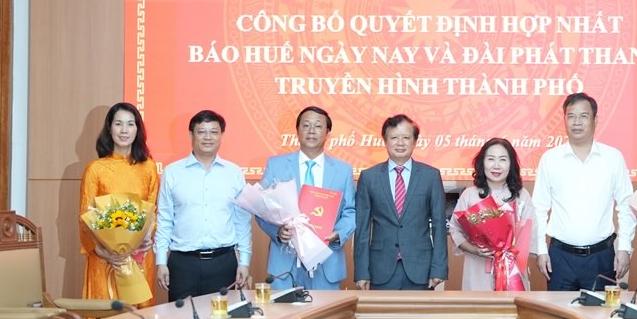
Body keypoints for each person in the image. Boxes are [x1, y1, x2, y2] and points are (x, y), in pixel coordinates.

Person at [533, 92, 637, 291]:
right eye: (571, 116)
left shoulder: (613, 158)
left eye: (583, 116)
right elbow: (539, 208)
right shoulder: (550, 159)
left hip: (601, 257)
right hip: (560, 257)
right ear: (564, 120)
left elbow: (626, 205)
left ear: (595, 120)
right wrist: (540, 249)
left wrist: (624, 247)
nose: (577, 122)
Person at [154, 110, 251, 301]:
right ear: (191, 135)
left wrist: (244, 262)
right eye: (201, 132)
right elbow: (164, 220)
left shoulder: (234, 173)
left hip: (223, 263)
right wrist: (160, 262)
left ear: (221, 136)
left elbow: (242, 221)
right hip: (182, 264)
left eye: (214, 132)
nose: (208, 137)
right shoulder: (172, 172)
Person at [256, 106, 356, 290]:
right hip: (285, 261)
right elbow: (261, 207)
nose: (311, 131)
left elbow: (351, 211)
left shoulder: (343, 170)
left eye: (318, 126)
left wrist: (338, 234)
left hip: (326, 260)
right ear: (297, 130)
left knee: (325, 318)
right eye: (306, 125)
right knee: (284, 317)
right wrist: (277, 232)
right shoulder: (276, 165)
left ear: (327, 133)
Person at [354, 114, 447, 290]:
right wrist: (361, 272)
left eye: (406, 137)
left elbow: (439, 225)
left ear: (414, 142)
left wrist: (439, 269)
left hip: (420, 268)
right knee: (382, 318)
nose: (400, 143)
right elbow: (362, 230)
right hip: (380, 268)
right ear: (385, 141)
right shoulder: (369, 177)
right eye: (394, 137)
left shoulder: (430, 176)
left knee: (419, 318)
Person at [79, 102, 159, 305]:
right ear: (109, 128)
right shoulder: (95, 169)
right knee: (106, 317)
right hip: (104, 259)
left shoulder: (148, 167)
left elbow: (153, 208)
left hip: (138, 256)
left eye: (130, 124)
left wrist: (146, 237)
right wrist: (103, 251)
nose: (124, 130)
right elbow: (85, 216)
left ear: (137, 129)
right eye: (118, 124)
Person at [449, 138, 538, 291]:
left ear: (511, 164)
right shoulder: (470, 195)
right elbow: (455, 229)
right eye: (491, 159)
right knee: (477, 312)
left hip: (512, 270)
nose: (496, 165)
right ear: (482, 162)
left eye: (503, 159)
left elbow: (532, 232)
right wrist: (474, 249)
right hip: (477, 270)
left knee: (511, 311)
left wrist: (510, 252)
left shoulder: (521, 196)